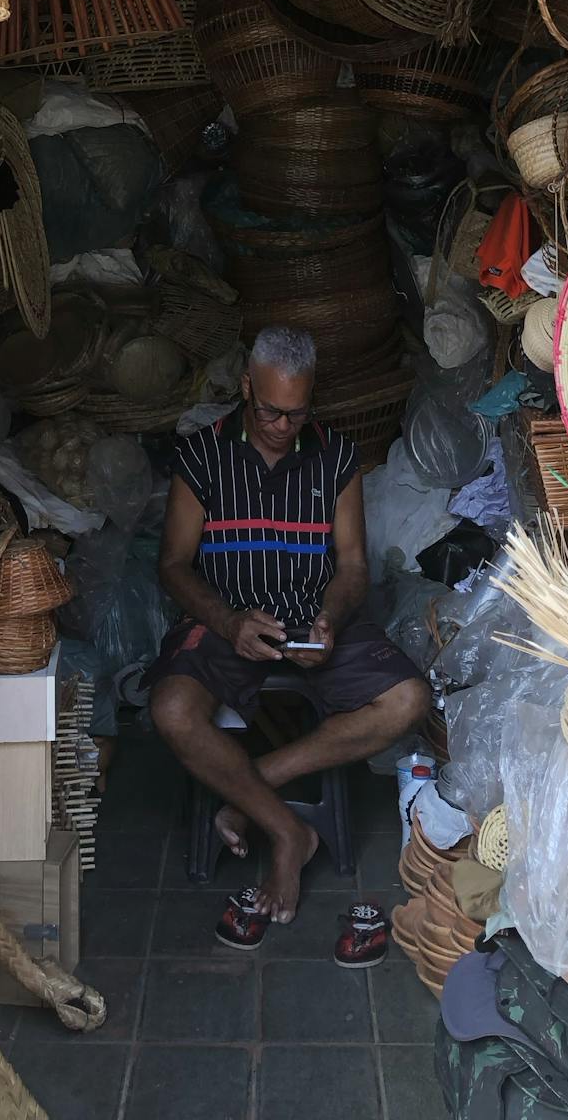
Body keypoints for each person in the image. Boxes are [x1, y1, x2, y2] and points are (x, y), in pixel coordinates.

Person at [150, 325, 429, 935]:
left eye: (296, 414)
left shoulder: (337, 458)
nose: (281, 426)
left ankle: (252, 788)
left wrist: (330, 616)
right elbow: (171, 566)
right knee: (172, 710)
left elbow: (353, 566)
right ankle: (289, 832)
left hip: (311, 613)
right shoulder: (201, 455)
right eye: (270, 411)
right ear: (246, 388)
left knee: (408, 699)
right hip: (225, 616)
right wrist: (228, 620)